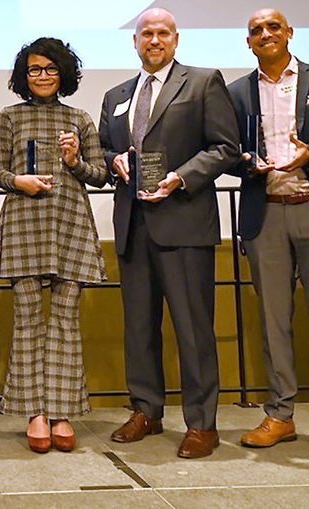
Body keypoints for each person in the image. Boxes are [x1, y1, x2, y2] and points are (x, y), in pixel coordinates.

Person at [98, 8, 239, 459]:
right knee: (139, 327)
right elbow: (104, 148)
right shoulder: (116, 94)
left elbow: (225, 148)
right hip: (133, 225)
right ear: (134, 42)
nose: (153, 41)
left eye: (162, 34)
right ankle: (146, 410)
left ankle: (202, 423)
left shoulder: (202, 82)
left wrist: (179, 176)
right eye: (146, 34)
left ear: (176, 40)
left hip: (184, 222)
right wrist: (114, 159)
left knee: (194, 329)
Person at [0, 38, 108, 454]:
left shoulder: (79, 118)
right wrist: (17, 180)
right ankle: (33, 413)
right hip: (23, 225)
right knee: (26, 322)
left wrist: (75, 162)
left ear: (64, 73)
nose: (42, 76)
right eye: (35, 69)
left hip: (69, 226)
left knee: (65, 321)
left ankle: (61, 411)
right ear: (24, 76)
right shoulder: (9, 118)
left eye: (50, 69)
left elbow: (100, 175)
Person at [227, 8, 309, 448]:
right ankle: (281, 414)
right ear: (248, 42)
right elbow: (222, 147)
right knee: (274, 320)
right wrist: (245, 162)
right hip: (265, 213)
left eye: (273, 26)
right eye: (255, 29)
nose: (265, 34)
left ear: (290, 33)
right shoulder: (236, 92)